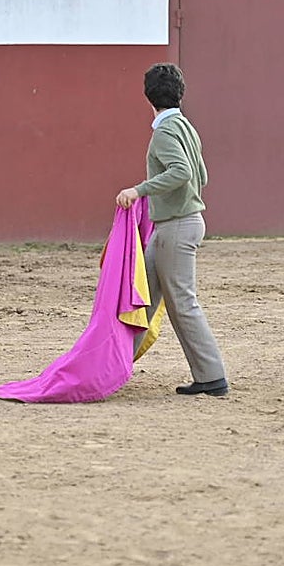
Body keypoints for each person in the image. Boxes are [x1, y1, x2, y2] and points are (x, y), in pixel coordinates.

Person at [116, 62, 228, 396]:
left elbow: (181, 172)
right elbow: (201, 176)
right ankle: (115, 364)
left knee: (182, 302)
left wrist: (140, 190)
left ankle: (212, 376)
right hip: (178, 226)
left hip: (175, 228)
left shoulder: (164, 132)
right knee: (140, 300)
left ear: (148, 97)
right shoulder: (186, 127)